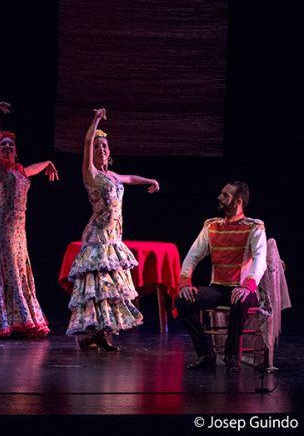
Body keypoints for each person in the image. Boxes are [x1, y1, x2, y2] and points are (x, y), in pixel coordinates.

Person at [66, 109, 159, 351]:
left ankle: (103, 333)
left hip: (114, 238)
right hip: (97, 238)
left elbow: (130, 178)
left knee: (109, 289)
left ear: (110, 152)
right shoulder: (91, 173)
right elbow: (86, 142)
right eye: (97, 147)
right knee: (96, 287)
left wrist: (150, 180)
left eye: (105, 146)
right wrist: (95, 119)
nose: (101, 150)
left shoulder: (113, 176)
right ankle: (91, 333)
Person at [0, 102, 56, 337]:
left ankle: (15, 318)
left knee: (18, 270)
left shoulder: (20, 172)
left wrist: (47, 163)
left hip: (20, 232)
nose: (6, 148)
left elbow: (34, 168)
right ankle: (4, 320)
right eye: (3, 146)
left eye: (10, 146)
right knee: (9, 271)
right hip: (3, 229)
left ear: (16, 152)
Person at [177, 181, 266, 371]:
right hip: (218, 287)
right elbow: (192, 256)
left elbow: (260, 260)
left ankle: (231, 355)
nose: (220, 197)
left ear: (238, 201)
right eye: (221, 193)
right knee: (183, 301)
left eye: (226, 195)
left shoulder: (254, 227)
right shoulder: (212, 226)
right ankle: (206, 354)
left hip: (242, 287)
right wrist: (185, 283)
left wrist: (246, 287)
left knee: (240, 301)